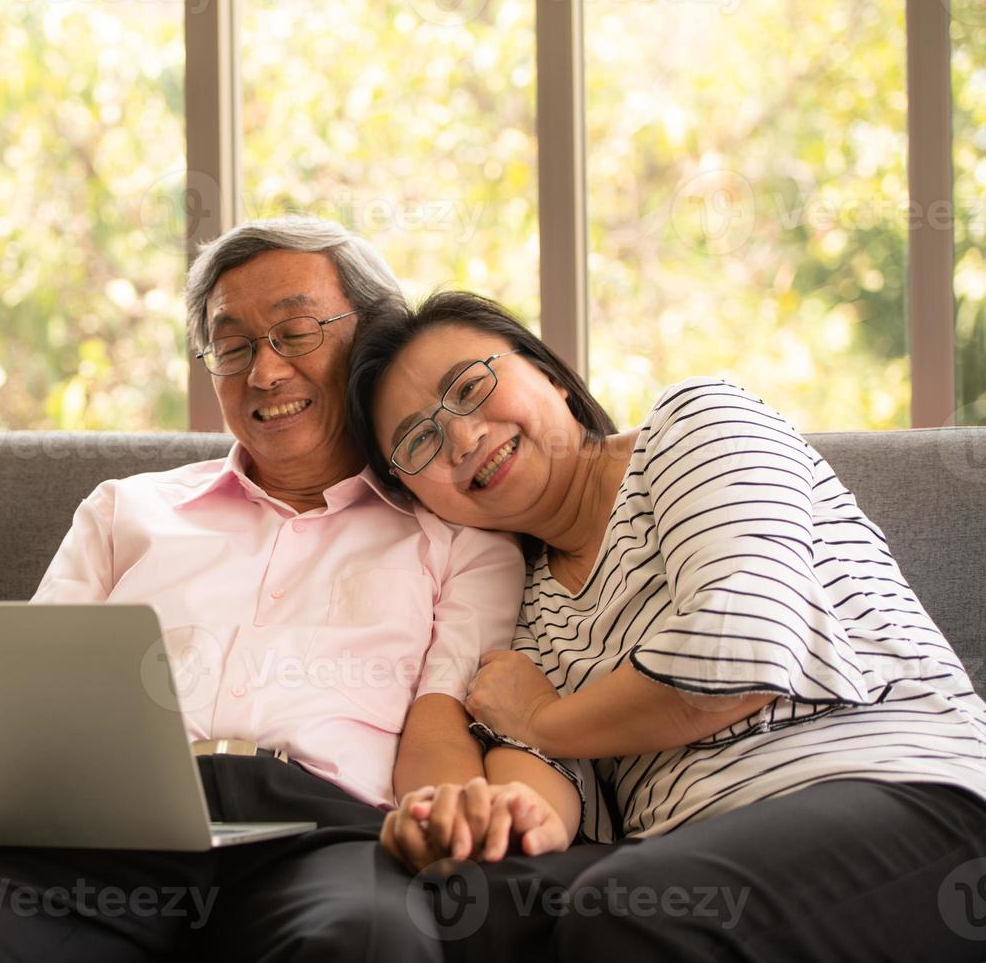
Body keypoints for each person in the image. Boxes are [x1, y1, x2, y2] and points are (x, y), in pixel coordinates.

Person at [0, 221, 580, 962]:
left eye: (295, 333)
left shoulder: (459, 536)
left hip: (326, 837)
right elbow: (18, 708)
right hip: (104, 835)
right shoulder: (125, 511)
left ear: (372, 342)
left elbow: (442, 720)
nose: (264, 374)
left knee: (367, 942)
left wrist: (442, 818)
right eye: (233, 347)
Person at [349, 289, 986, 961]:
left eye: (472, 388)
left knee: (626, 910)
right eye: (420, 439)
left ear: (552, 376)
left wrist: (544, 718)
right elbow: (543, 786)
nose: (464, 437)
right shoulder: (523, 604)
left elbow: (743, 652)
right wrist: (486, 819)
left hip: (909, 792)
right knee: (462, 912)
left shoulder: (695, 424)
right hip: (696, 853)